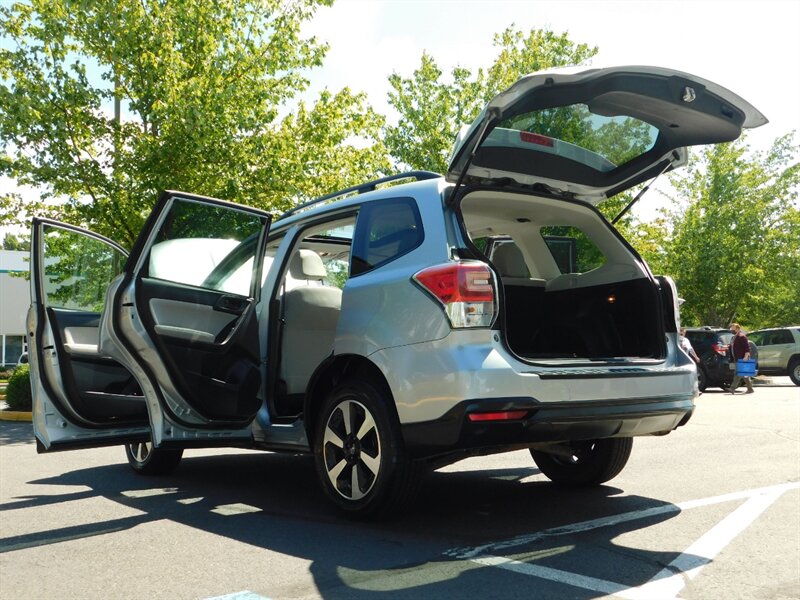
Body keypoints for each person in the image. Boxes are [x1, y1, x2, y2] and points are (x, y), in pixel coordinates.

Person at [727, 323, 754, 394]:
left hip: (742, 358)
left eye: (733, 328)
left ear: (737, 329)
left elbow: (747, 348)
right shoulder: (734, 337)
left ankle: (732, 388)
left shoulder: (742, 336)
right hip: (736, 358)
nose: (731, 330)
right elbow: (732, 346)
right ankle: (750, 389)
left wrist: (746, 356)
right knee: (745, 374)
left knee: (738, 373)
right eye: (731, 328)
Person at [679, 328, 702, 394]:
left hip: (686, 359)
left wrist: (696, 357)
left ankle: (695, 389)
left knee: (693, 373)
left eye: (683, 332)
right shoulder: (676, 340)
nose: (682, 333)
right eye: (680, 332)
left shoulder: (686, 340)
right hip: (679, 360)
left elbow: (691, 349)